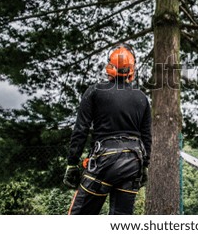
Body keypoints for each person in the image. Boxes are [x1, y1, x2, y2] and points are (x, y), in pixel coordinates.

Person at [63, 43, 152, 215]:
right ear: (132, 70)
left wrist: (72, 163)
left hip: (103, 161)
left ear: (109, 67)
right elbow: (146, 136)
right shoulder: (141, 98)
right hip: (133, 164)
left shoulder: (95, 92)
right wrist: (145, 166)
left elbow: (81, 129)